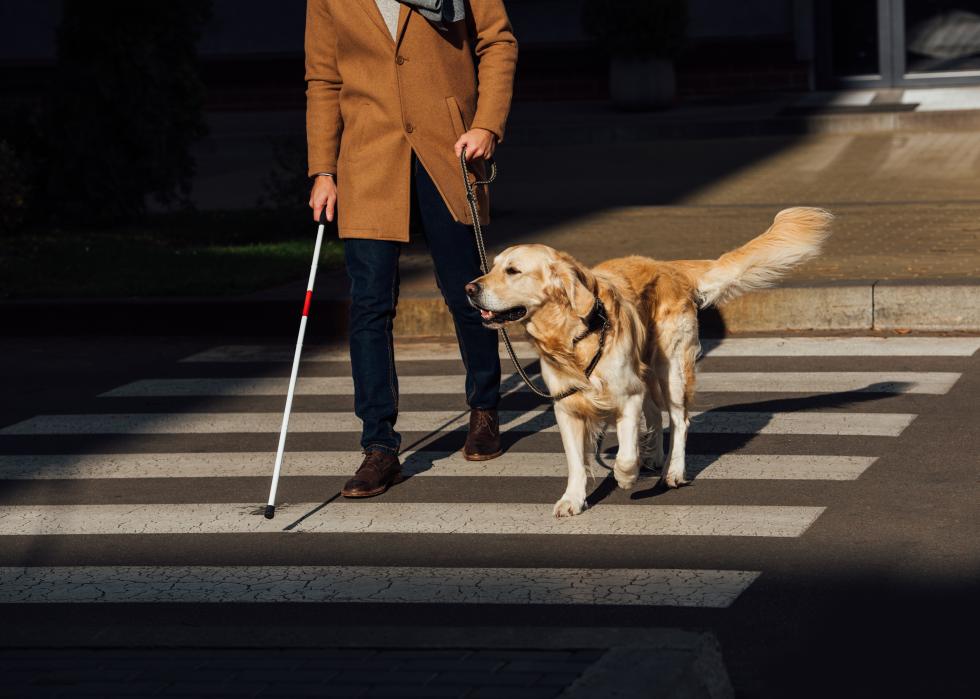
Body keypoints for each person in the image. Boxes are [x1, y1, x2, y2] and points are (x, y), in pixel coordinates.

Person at [305, 0, 518, 498]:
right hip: (368, 158)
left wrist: (486, 123)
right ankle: (378, 447)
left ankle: (485, 408)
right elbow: (323, 78)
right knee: (370, 307)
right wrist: (323, 170)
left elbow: (498, 41)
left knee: (467, 293)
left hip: (448, 148)